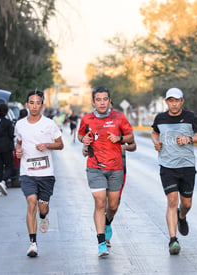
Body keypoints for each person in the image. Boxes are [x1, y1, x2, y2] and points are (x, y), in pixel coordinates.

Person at [78, 86, 134, 257]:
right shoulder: (86, 119)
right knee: (100, 202)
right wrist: (84, 140)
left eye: (105, 99)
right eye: (98, 99)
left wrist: (120, 138)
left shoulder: (119, 117)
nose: (102, 102)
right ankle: (101, 243)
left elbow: (131, 137)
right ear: (93, 102)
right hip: (94, 166)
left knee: (113, 205)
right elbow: (81, 136)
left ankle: (108, 222)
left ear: (110, 101)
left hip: (116, 167)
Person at [151, 88, 197, 255]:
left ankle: (181, 216)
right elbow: (154, 133)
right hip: (167, 166)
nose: (174, 103)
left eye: (177, 100)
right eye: (170, 100)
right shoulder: (160, 118)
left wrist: (189, 139)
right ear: (166, 102)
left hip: (187, 166)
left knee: (187, 203)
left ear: (182, 102)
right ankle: (173, 240)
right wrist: (156, 142)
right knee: (172, 200)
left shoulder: (191, 117)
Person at [15, 90, 64, 257]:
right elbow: (18, 142)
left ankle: (43, 216)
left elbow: (60, 144)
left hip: (45, 173)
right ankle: (33, 244)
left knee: (42, 207)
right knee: (31, 202)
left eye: (38, 103)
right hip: (27, 172)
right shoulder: (20, 124)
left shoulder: (49, 124)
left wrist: (47, 145)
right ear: (27, 104)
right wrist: (18, 151)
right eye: (31, 102)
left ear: (42, 105)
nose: (34, 106)